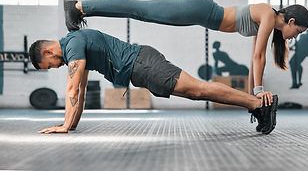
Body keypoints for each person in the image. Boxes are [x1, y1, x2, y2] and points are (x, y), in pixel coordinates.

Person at [64, 0, 308, 103]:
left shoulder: (266, 22)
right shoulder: (267, 14)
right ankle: (79, 6)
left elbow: (254, 60)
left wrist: (251, 98)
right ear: (290, 22)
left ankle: (81, 8)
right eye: (297, 32)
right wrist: (258, 91)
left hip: (201, 13)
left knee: (141, 12)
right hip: (202, 10)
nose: (294, 36)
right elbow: (259, 57)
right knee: (140, 10)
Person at [29, 28, 278, 134]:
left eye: (49, 65)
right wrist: (70, 125)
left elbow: (72, 87)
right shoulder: (76, 45)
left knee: (198, 89)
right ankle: (257, 106)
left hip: (143, 65)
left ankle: (259, 105)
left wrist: (63, 126)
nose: (55, 67)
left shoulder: (72, 45)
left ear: (48, 52)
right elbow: (80, 90)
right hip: (141, 68)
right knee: (196, 93)